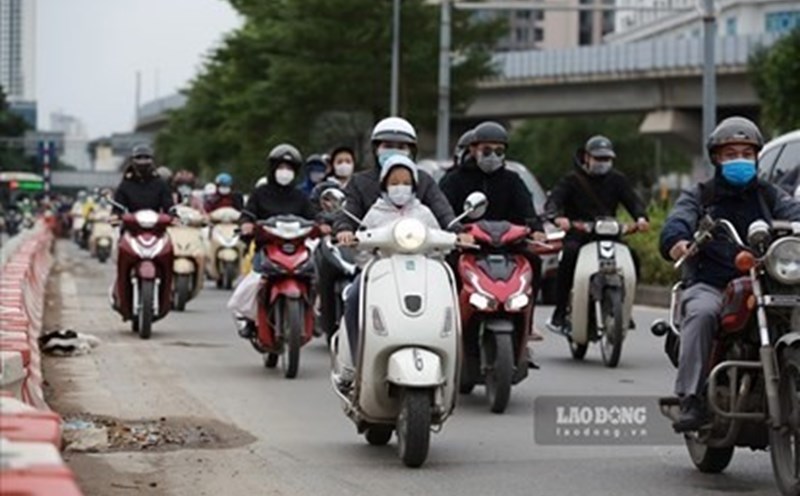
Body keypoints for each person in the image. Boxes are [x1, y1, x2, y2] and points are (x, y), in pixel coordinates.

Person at [659, 117, 800, 433]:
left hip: (766, 279)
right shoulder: (702, 195)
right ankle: (691, 398)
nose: (740, 160)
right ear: (717, 159)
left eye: (746, 154)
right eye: (731, 154)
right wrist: (677, 241)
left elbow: (794, 214)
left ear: (756, 157)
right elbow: (679, 219)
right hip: (712, 282)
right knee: (701, 313)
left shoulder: (769, 195)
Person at [439, 121, 547, 358]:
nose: (492, 156)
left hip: (508, 247)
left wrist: (536, 229)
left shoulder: (512, 180)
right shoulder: (454, 180)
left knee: (534, 262)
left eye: (499, 151)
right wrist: (456, 233)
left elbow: (527, 210)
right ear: (473, 149)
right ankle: (446, 324)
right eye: (486, 150)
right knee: (446, 267)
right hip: (468, 247)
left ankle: (526, 323)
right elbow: (442, 211)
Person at [335, 154, 441, 390]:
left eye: (405, 182)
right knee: (353, 298)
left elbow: (438, 247)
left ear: (414, 186)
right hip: (380, 274)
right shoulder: (374, 214)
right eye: (394, 183)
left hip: (420, 277)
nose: (400, 188)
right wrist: (351, 238)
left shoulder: (424, 214)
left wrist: (454, 238)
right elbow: (361, 251)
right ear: (384, 185)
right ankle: (352, 365)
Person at [544, 135, 650, 332]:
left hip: (609, 235)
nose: (603, 163)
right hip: (579, 235)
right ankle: (559, 313)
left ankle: (624, 307)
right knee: (569, 256)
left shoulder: (617, 180)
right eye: (598, 159)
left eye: (607, 159)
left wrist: (641, 218)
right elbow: (554, 202)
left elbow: (633, 201)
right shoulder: (572, 180)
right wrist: (558, 218)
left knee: (632, 258)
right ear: (586, 157)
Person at [228, 143, 317, 340]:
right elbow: (248, 214)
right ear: (272, 169)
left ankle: (314, 314)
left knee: (315, 276)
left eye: (289, 168)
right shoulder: (260, 193)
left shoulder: (301, 197)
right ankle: (250, 320)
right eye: (280, 167)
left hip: (297, 249)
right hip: (267, 250)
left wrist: (324, 225)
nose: (284, 172)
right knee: (253, 282)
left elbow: (314, 217)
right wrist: (246, 224)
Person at [333, 116, 458, 245]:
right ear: (376, 149)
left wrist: (457, 230)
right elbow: (349, 210)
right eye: (388, 146)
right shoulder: (359, 182)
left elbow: (441, 210)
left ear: (411, 152)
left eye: (401, 147)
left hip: (419, 251)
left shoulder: (424, 180)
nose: (394, 151)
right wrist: (344, 228)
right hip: (375, 254)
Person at [112, 144, 173, 215]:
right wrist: (116, 216)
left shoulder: (160, 184)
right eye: (139, 158)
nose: (142, 161)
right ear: (133, 162)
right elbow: (118, 208)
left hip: (156, 224)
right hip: (130, 224)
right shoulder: (125, 185)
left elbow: (168, 207)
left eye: (146, 158)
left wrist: (172, 215)